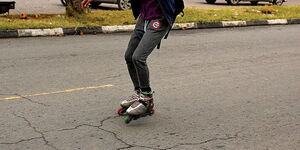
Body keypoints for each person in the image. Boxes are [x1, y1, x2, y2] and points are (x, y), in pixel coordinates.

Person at [120, 0, 179, 116]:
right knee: (129, 56)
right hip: (144, 16)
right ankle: (139, 93)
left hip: (160, 18)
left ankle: (147, 98)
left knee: (138, 57)